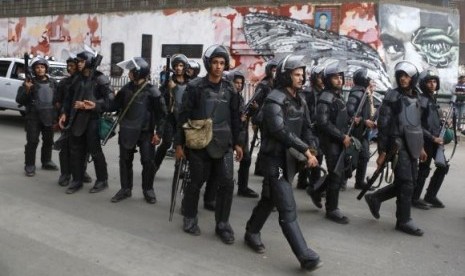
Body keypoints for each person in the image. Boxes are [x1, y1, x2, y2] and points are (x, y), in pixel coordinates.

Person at [244, 54, 321, 271]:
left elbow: (307, 127)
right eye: (297, 74)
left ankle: (251, 231)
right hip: (274, 161)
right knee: (287, 207)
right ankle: (305, 256)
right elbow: (280, 131)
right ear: (286, 76)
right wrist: (305, 150)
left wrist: (312, 146)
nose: (301, 78)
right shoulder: (274, 100)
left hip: (290, 161)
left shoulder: (300, 99)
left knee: (269, 200)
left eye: (302, 74)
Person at [174, 44, 243, 244]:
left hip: (224, 143)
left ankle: (222, 224)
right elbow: (182, 116)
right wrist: (179, 144)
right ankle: (190, 217)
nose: (218, 67)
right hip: (199, 143)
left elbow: (236, 118)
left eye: (222, 63)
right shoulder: (195, 87)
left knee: (227, 183)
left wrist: (239, 143)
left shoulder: (230, 89)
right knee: (195, 181)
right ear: (208, 64)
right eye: (215, 62)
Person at [364, 61, 427, 236]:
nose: (403, 79)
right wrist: (382, 152)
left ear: (413, 78)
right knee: (407, 183)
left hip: (412, 144)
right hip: (397, 145)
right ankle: (404, 220)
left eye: (406, 76)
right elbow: (383, 125)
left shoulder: (416, 96)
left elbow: (417, 125)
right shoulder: (392, 96)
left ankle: (375, 197)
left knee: (408, 181)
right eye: (400, 75)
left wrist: (420, 147)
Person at [109, 57, 166, 204]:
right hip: (127, 130)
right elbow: (113, 106)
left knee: (148, 162)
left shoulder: (153, 91)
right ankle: (125, 189)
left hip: (146, 132)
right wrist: (97, 104)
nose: (129, 74)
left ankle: (148, 189)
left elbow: (162, 115)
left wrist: (159, 133)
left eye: (132, 71)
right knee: (125, 161)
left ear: (139, 72)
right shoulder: (126, 89)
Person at [58, 50, 114, 194]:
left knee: (95, 152)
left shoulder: (100, 79)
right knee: (76, 151)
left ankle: (102, 180)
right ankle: (77, 180)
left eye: (82, 61)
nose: (79, 64)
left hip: (92, 120)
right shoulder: (77, 78)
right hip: (76, 120)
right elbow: (68, 99)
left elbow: (111, 101)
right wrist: (64, 113)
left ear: (89, 61)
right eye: (78, 61)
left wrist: (94, 105)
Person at [308, 60, 351, 224]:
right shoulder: (326, 97)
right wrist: (341, 137)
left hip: (339, 140)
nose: (339, 80)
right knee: (336, 175)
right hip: (330, 141)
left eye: (340, 77)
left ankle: (316, 191)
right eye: (335, 78)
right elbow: (323, 123)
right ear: (327, 80)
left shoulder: (336, 96)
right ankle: (332, 209)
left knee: (338, 173)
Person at [16, 56, 59, 177]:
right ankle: (29, 165)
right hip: (33, 117)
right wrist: (27, 90)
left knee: (49, 141)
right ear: (33, 70)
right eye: (37, 67)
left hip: (49, 116)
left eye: (42, 67)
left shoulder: (53, 83)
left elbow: (58, 99)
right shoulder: (28, 82)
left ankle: (46, 161)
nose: (40, 69)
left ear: (46, 68)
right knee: (32, 141)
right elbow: (19, 99)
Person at [412, 69, 447, 209]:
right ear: (423, 84)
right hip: (426, 141)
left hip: (435, 140)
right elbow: (417, 124)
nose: (432, 84)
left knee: (443, 167)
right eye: (429, 82)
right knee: (424, 169)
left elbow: (432, 121)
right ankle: (415, 198)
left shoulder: (432, 99)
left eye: (434, 81)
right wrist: (432, 138)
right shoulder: (422, 100)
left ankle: (430, 196)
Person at [55, 57, 92, 186]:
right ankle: (65, 174)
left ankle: (81, 171)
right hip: (68, 120)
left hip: (82, 121)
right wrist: (62, 114)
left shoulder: (87, 80)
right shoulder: (65, 83)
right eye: (68, 65)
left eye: (72, 65)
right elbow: (59, 102)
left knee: (83, 149)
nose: (70, 68)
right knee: (65, 148)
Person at [154, 54, 190, 174]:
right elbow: (161, 101)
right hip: (170, 117)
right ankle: (154, 166)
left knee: (182, 145)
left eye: (181, 65)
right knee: (167, 142)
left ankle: (179, 169)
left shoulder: (190, 83)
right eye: (176, 65)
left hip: (184, 118)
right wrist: (169, 89)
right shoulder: (168, 82)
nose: (178, 68)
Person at [227, 70, 258, 198]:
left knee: (246, 160)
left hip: (241, 133)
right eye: (236, 82)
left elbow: (243, 115)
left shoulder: (239, 97)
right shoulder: (227, 96)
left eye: (241, 83)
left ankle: (242, 187)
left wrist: (251, 110)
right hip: (229, 133)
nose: (239, 85)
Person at [346, 68, 377, 190]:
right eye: (369, 79)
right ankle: (342, 177)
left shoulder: (365, 92)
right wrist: (364, 121)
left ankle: (358, 182)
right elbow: (350, 110)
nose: (371, 81)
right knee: (359, 156)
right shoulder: (358, 92)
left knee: (363, 156)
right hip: (357, 131)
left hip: (362, 131)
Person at [298, 65, 324, 190]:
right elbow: (303, 110)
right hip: (310, 128)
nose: (321, 80)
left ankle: (305, 181)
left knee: (316, 154)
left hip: (318, 129)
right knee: (313, 154)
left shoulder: (322, 92)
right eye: (319, 77)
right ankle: (314, 185)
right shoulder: (308, 92)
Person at [251, 60, 278, 176]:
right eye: (273, 70)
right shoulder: (264, 84)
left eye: (276, 70)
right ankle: (260, 168)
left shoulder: (277, 85)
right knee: (265, 143)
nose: (275, 72)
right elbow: (255, 101)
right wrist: (259, 110)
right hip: (263, 117)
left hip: (274, 118)